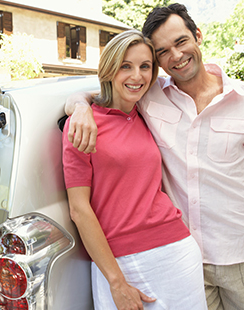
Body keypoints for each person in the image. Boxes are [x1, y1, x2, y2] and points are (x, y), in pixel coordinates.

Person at [65, 4, 244, 310]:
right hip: (184, 252)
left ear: (197, 36)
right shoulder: (148, 96)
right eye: (163, 51)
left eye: (181, 42)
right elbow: (99, 96)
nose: (175, 56)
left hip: (238, 250)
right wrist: (79, 105)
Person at [63, 29, 207, 310]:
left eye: (145, 67)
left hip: (177, 250)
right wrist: (116, 282)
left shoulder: (146, 111)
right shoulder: (83, 124)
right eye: (125, 66)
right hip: (120, 261)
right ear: (108, 70)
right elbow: (79, 210)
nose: (136, 76)